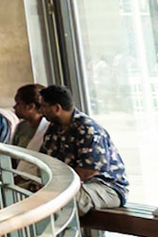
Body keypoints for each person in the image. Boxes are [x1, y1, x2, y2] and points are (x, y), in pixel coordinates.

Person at [39, 84, 130, 219]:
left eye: (43, 106)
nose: (41, 110)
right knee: (32, 193)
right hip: (73, 184)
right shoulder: (54, 128)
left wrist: (56, 184)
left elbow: (89, 171)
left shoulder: (87, 129)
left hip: (107, 187)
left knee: (58, 200)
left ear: (57, 108)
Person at [12, 84, 50, 153]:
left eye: (18, 103)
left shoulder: (49, 129)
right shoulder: (21, 127)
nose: (14, 107)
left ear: (30, 107)